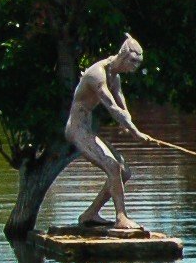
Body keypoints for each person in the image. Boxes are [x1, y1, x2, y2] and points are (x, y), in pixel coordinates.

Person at [64, 35, 152, 235]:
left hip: (87, 129)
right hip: (77, 129)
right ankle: (121, 217)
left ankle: (90, 214)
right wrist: (134, 131)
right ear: (123, 56)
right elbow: (111, 106)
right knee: (113, 166)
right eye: (133, 62)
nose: (135, 68)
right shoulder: (98, 74)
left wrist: (129, 123)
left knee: (124, 172)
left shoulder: (114, 76)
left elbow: (121, 104)